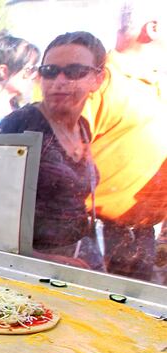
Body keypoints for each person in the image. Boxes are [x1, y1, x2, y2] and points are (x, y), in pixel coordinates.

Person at [0, 32, 107, 270]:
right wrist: (42, 260)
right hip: (33, 266)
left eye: (75, 71)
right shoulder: (21, 124)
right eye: (49, 71)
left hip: (79, 256)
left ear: (98, 78)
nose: (60, 81)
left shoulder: (83, 127)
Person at [84, 0, 167, 282]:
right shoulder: (102, 80)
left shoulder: (157, 81)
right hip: (98, 237)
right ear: (152, 28)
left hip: (142, 236)